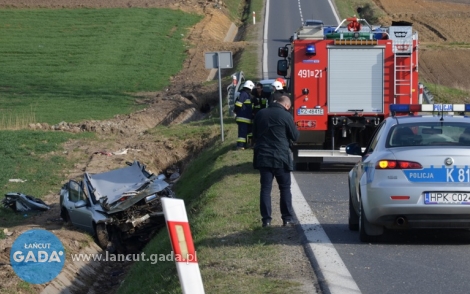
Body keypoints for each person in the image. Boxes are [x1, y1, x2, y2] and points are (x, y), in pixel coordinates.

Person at [252, 95, 299, 227]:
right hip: (281, 158)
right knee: (284, 188)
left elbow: (254, 134)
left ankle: (266, 220)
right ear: (287, 106)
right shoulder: (286, 116)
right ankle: (287, 219)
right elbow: (294, 136)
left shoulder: (261, 113)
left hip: (263, 157)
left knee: (265, 189)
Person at [234, 80, 255, 150]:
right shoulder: (244, 94)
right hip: (243, 117)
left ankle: (248, 144)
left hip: (246, 117)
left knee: (248, 131)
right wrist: (237, 111)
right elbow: (238, 104)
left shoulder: (247, 94)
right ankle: (240, 146)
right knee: (242, 133)